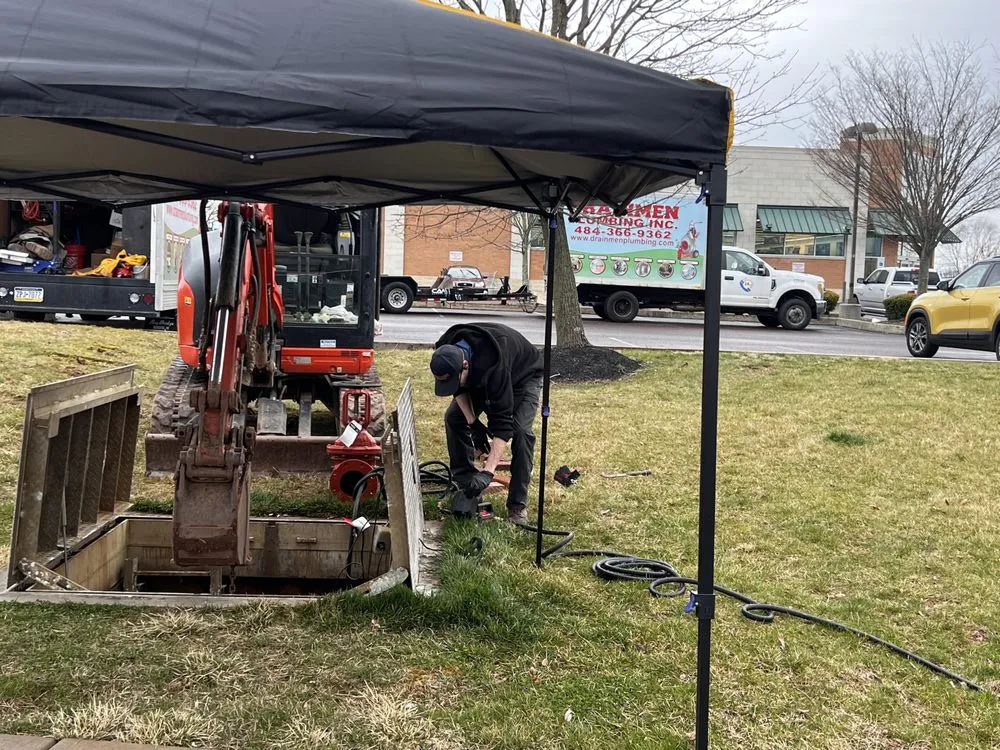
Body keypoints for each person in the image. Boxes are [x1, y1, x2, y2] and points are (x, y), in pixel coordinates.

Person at [429, 322, 543, 523]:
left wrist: (488, 472)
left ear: (464, 365)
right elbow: (459, 389)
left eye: (455, 379)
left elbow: (503, 424)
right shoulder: (447, 349)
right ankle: (466, 484)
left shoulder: (494, 365)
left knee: (522, 432)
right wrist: (473, 423)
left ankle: (517, 505)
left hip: (523, 376)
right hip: (479, 373)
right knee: (454, 418)